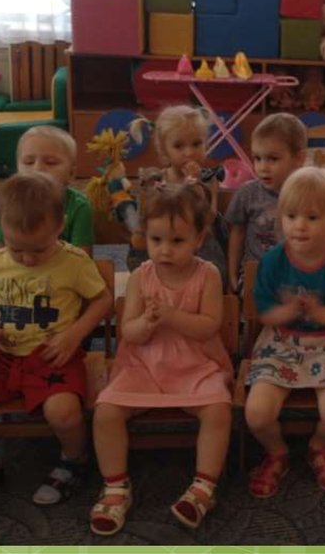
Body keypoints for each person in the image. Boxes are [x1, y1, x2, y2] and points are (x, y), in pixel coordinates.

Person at [0, 174, 112, 517]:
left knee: (63, 413)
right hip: (4, 356)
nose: (27, 259)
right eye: (17, 248)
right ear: (0, 228)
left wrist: (74, 334)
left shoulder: (73, 262)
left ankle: (74, 459)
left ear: (60, 226)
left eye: (39, 249)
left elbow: (102, 300)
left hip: (53, 356)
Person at [89, 183, 233, 535]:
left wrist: (171, 317)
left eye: (177, 241)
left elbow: (209, 326)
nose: (165, 250)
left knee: (218, 409)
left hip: (196, 361)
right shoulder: (141, 277)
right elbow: (129, 332)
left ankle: (204, 485)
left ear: (199, 239)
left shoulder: (208, 274)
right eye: (156, 240)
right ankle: (115, 485)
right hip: (144, 362)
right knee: (106, 411)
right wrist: (147, 323)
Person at [244, 167, 325, 497]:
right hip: (281, 342)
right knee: (257, 414)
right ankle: (277, 452)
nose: (299, 225)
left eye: (311, 217)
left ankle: (318, 447)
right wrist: (288, 311)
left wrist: (318, 312)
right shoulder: (273, 261)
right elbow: (265, 314)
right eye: (291, 216)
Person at [128, 105, 228, 285]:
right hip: (162, 245)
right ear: (164, 150)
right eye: (178, 146)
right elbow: (146, 219)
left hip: (199, 245)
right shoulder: (155, 180)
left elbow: (208, 217)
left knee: (215, 276)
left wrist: (194, 185)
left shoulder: (208, 179)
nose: (189, 152)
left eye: (196, 144)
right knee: (142, 275)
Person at [225, 113, 307, 294]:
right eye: (257, 158)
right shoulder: (247, 193)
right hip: (255, 274)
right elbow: (237, 234)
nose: (263, 167)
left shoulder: (308, 194)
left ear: (299, 159)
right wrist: (232, 274)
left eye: (273, 159)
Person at [0, 125, 94, 255]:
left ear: (71, 173)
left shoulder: (79, 206)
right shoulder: (9, 203)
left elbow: (83, 257)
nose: (38, 169)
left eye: (50, 162)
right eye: (29, 162)